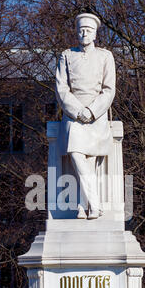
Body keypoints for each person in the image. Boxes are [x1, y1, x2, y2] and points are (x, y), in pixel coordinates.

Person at [55, 13, 116, 219]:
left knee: (88, 162)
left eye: (88, 30)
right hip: (74, 116)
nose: (84, 33)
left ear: (95, 34)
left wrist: (91, 111)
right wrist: (78, 110)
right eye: (81, 30)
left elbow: (109, 89)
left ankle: (83, 206)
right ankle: (96, 204)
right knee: (77, 154)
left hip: (96, 115)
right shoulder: (66, 55)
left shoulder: (105, 56)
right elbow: (61, 89)